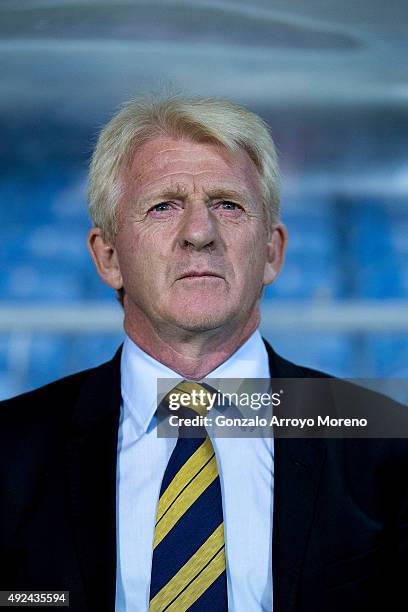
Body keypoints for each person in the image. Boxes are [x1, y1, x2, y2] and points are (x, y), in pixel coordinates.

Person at [0, 95, 406, 612]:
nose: (199, 233)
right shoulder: (10, 449)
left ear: (271, 252)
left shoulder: (388, 443)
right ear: (107, 257)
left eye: (228, 205)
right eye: (164, 205)